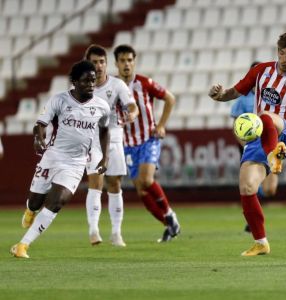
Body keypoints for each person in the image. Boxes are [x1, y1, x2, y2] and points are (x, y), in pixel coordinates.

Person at [209, 32, 286, 256]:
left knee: (266, 116)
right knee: (247, 186)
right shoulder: (261, 72)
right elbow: (235, 91)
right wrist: (219, 96)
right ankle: (260, 242)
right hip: (260, 136)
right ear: (278, 52)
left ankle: (273, 156)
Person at [10, 60, 111, 258]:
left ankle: (22, 245)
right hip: (53, 157)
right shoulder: (59, 100)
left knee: (57, 202)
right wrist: (38, 138)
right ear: (74, 81)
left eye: (93, 80)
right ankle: (30, 211)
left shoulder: (102, 107)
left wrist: (104, 158)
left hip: (76, 163)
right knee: (35, 201)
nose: (91, 84)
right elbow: (40, 124)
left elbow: (105, 130)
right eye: (85, 81)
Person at [113, 44, 180, 243]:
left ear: (134, 62)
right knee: (142, 192)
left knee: (147, 180)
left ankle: (169, 214)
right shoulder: (112, 87)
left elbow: (170, 98)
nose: (127, 64)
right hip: (127, 145)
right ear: (116, 63)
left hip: (149, 138)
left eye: (130, 60)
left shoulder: (144, 83)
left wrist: (161, 125)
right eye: (123, 60)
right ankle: (170, 226)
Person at [83, 44, 139, 247]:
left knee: (114, 184)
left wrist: (132, 114)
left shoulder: (117, 86)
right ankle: (94, 230)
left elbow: (132, 106)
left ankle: (116, 233)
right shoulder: (81, 87)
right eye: (94, 62)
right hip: (91, 139)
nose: (98, 66)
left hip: (114, 137)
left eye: (101, 62)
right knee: (95, 182)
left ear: (106, 64)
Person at [230, 61, 278, 233]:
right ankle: (253, 221)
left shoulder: (272, 96)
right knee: (250, 184)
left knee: (270, 190)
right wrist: (244, 145)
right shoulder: (242, 100)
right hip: (249, 146)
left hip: (270, 144)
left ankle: (254, 210)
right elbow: (236, 125)